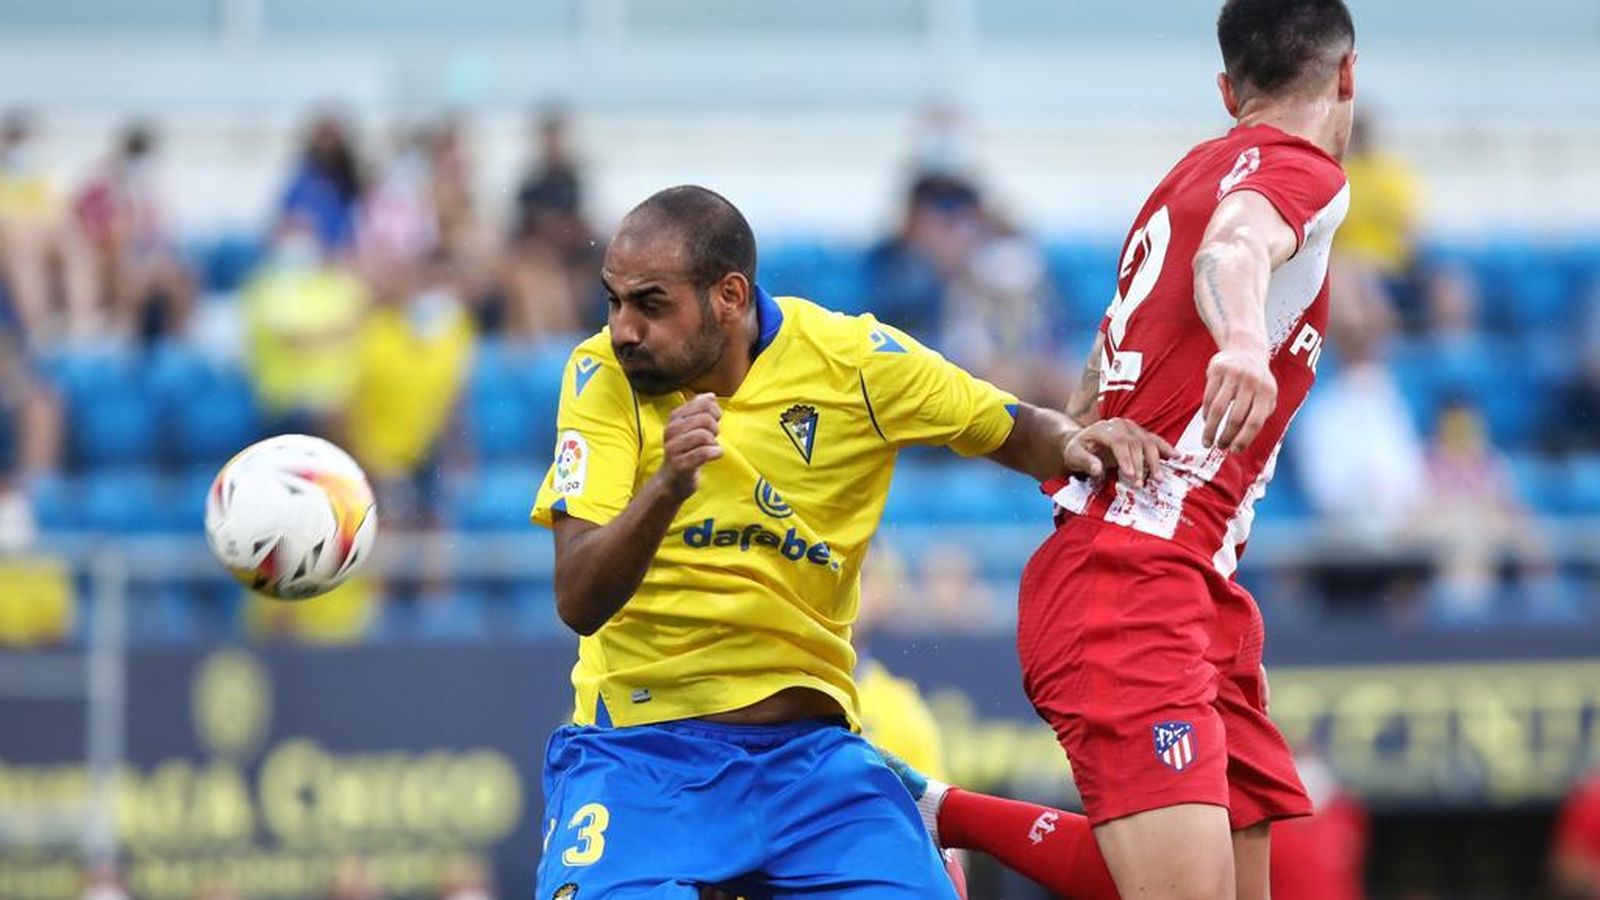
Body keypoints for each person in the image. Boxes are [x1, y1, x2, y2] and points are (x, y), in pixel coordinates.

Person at [529, 184, 1170, 897]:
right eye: (613, 301)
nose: (623, 329)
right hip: (642, 759)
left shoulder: (855, 361)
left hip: (809, 765)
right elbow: (578, 597)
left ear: (731, 296)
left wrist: (1080, 441)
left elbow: (1016, 429)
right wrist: (666, 489)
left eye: (650, 304)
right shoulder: (601, 376)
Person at [1019, 1, 1357, 897]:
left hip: (1189, 583)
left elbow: (1096, 373)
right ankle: (937, 808)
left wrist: (1080, 426)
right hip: (1135, 580)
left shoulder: (1181, 178)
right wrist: (1245, 343)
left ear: (1226, 90)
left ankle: (944, 809)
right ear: (1347, 75)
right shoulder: (1302, 170)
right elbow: (1235, 245)